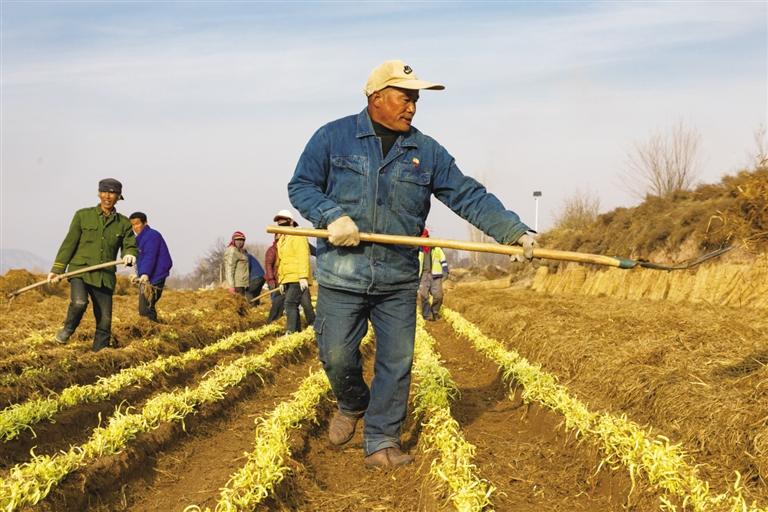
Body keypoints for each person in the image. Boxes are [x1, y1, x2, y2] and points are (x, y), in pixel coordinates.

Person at [287, 60, 537, 468]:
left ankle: (382, 440)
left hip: (397, 278)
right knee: (336, 355)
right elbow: (301, 186)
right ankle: (353, 401)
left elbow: (467, 195)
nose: (412, 108)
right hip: (343, 274)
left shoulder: (426, 151)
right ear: (376, 98)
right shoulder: (332, 138)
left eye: (416, 100)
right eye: (405, 98)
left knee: (396, 362)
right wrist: (331, 216)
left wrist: (513, 231)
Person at [47, 178, 138, 352]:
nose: (107, 196)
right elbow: (69, 243)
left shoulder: (123, 223)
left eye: (112, 193)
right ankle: (67, 330)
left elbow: (130, 245)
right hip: (80, 270)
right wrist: (57, 269)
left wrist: (129, 254)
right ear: (98, 194)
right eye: (104, 192)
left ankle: (99, 354)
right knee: (79, 302)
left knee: (105, 321)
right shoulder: (82, 215)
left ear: (118, 197)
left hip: (104, 276)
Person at [273, 209, 316, 334]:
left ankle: (291, 331)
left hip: (297, 277)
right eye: (278, 221)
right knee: (305, 303)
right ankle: (308, 326)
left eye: (283, 220)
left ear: (291, 221)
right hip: (288, 277)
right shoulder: (281, 240)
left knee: (290, 303)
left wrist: (303, 276)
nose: (280, 223)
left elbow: (303, 256)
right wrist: (281, 280)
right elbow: (282, 261)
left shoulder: (298, 235)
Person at [128, 212, 173, 322]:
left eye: (137, 224)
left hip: (156, 275)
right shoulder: (139, 239)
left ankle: (152, 328)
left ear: (145, 223)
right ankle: (153, 327)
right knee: (147, 307)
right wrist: (137, 274)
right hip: (146, 275)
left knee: (145, 308)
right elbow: (140, 259)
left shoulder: (152, 236)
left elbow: (150, 256)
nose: (135, 227)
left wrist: (145, 273)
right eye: (132, 225)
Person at [417, 228, 448, 321]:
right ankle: (427, 315)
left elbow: (443, 260)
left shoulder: (436, 248)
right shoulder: (418, 249)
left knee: (438, 296)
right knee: (423, 295)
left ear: (427, 237)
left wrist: (445, 271)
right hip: (424, 275)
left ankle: (435, 312)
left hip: (436, 275)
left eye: (424, 237)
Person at [264, 234, 286, 323]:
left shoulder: (283, 249)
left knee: (281, 301)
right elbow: (268, 265)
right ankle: (271, 320)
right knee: (275, 301)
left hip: (281, 280)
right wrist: (271, 279)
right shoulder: (272, 250)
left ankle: (277, 318)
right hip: (274, 280)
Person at [224, 231, 249, 296]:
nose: (240, 242)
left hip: (241, 284)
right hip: (236, 285)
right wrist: (231, 286)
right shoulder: (232, 251)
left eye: (242, 240)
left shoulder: (239, 251)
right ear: (233, 240)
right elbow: (229, 269)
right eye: (237, 240)